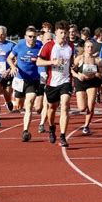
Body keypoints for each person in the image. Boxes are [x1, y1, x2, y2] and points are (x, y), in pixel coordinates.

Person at [37, 20, 74, 148]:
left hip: (66, 81)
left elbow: (72, 62)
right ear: (56, 33)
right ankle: (52, 127)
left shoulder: (71, 46)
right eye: (61, 33)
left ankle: (63, 136)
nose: (64, 35)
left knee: (65, 105)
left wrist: (75, 66)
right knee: (51, 108)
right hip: (52, 82)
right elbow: (38, 62)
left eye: (65, 33)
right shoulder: (49, 46)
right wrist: (51, 62)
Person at [7, 26, 43, 142]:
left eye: (34, 37)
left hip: (33, 80)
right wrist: (12, 67)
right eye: (30, 36)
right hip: (20, 79)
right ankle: (17, 104)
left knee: (29, 104)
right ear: (25, 37)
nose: (32, 39)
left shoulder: (40, 46)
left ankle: (25, 131)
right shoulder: (19, 46)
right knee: (19, 106)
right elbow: (9, 58)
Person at [72, 40, 102, 134]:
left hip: (92, 83)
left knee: (91, 106)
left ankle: (86, 126)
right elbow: (72, 71)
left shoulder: (97, 60)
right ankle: (84, 102)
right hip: (81, 82)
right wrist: (78, 76)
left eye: (92, 47)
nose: (90, 49)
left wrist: (98, 74)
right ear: (85, 48)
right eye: (88, 47)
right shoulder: (79, 58)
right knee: (82, 108)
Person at [36, 32, 53, 134]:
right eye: (47, 39)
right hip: (38, 79)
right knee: (38, 107)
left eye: (51, 39)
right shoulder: (38, 50)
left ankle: (42, 124)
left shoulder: (54, 51)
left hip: (49, 80)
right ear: (42, 40)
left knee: (46, 103)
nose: (49, 41)